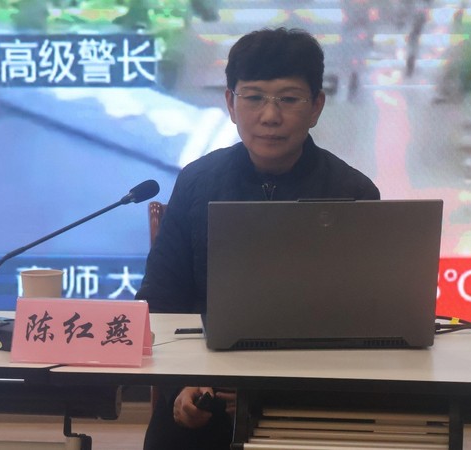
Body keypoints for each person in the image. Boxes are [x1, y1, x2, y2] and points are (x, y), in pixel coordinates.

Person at [136, 27, 380, 450]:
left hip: (311, 401)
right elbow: (159, 303)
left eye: (288, 99)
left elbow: (370, 321)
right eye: (253, 98)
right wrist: (185, 385)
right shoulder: (197, 182)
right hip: (205, 392)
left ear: (316, 106)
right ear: (231, 104)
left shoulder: (352, 192)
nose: (270, 116)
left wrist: (284, 390)